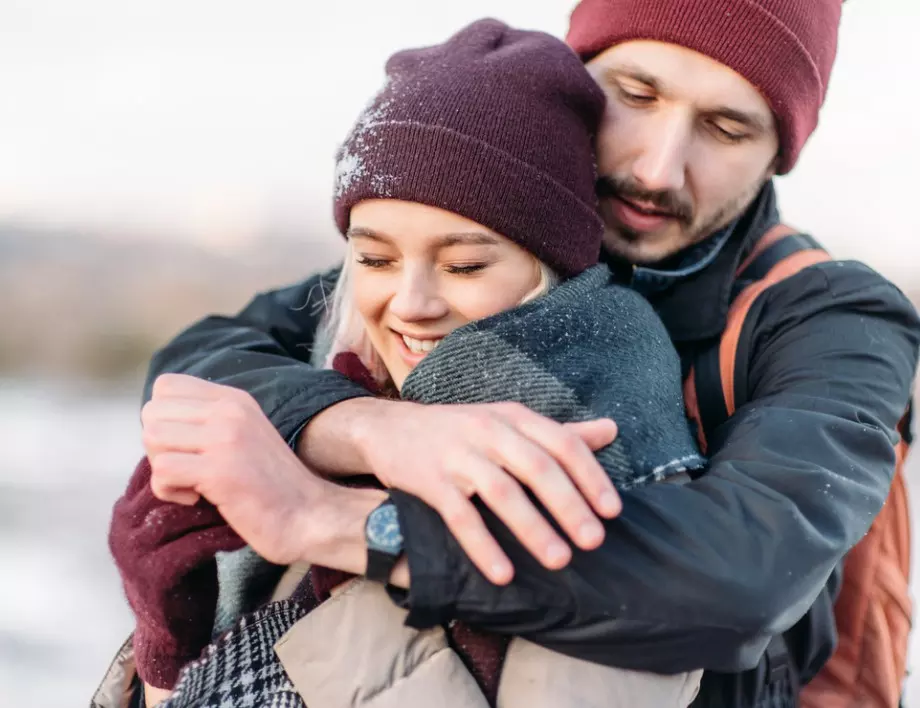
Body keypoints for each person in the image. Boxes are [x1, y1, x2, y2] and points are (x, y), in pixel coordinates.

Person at [130, 1, 920, 706]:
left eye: (726, 127)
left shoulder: (832, 317)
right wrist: (368, 428)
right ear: (575, 80)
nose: (656, 166)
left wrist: (340, 522)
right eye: (635, 95)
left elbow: (741, 575)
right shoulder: (492, 232)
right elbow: (200, 359)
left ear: (780, 151)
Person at [105, 20, 706, 708]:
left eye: (464, 264)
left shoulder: (599, 456)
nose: (410, 302)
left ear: (553, 270)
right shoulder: (338, 390)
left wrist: (336, 532)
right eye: (375, 258)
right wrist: (166, 644)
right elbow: (196, 352)